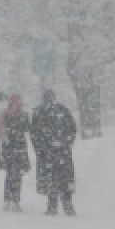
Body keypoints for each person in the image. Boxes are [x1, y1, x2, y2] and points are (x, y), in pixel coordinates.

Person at [31, 88, 78, 216]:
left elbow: (35, 134)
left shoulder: (41, 112)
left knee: (55, 179)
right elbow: (35, 134)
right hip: (57, 153)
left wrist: (63, 143)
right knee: (61, 179)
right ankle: (63, 205)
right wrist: (65, 143)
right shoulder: (60, 111)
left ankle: (58, 205)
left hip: (54, 153)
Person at [0, 94, 31, 212]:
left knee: (17, 176)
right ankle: (8, 200)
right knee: (10, 175)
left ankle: (15, 200)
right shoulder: (4, 114)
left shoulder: (23, 115)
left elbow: (27, 128)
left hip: (18, 148)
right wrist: (5, 134)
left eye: (17, 102)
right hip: (10, 148)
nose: (16, 105)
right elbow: (0, 129)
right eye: (14, 102)